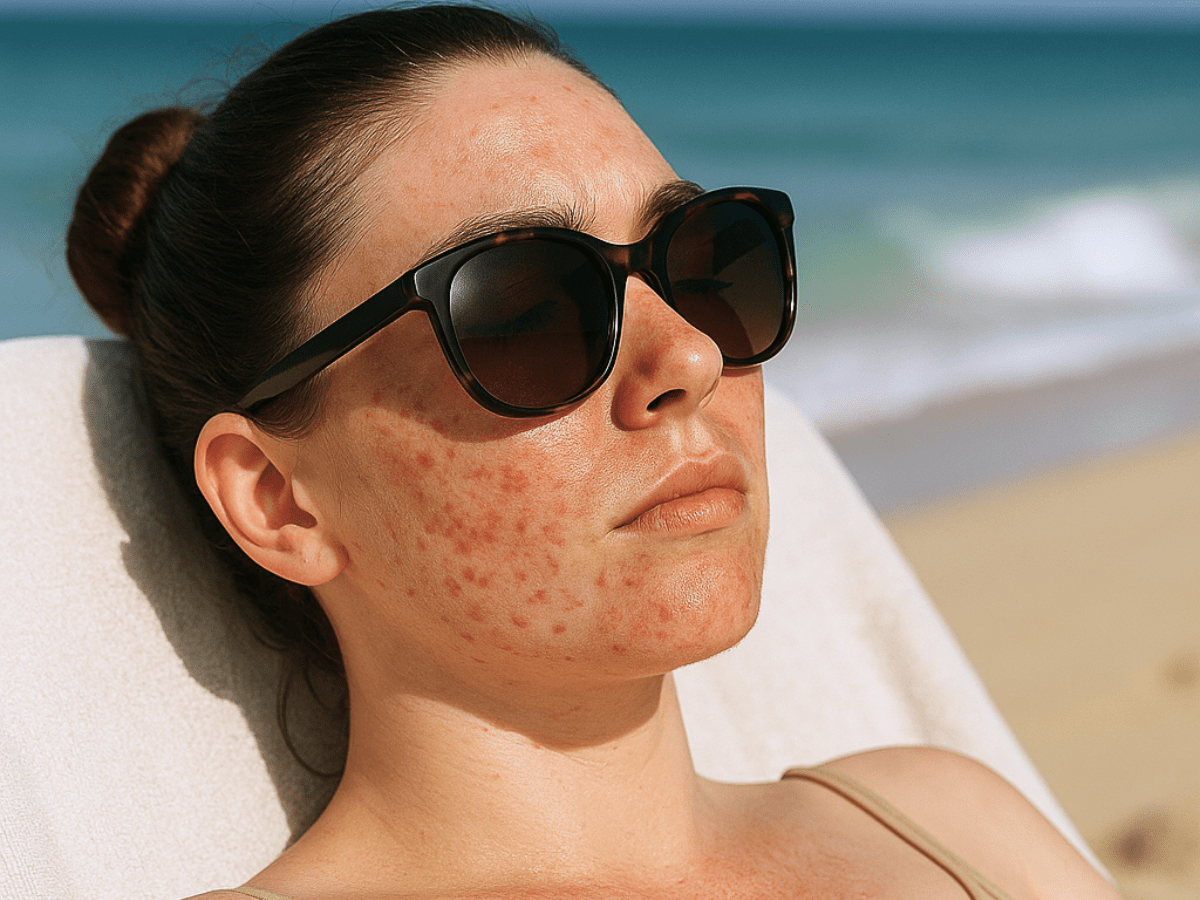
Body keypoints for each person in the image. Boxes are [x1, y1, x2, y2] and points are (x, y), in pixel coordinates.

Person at [67, 5, 1118, 898]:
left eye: (709, 261)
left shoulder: (934, 817)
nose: (692, 353)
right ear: (276, 500)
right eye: (526, 309)